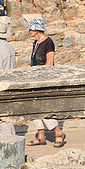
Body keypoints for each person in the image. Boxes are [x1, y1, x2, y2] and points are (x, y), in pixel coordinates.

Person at [26, 18, 64, 147]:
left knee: (45, 106)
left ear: (37, 30)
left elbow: (49, 62)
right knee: (34, 108)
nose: (29, 31)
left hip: (44, 79)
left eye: (30, 29)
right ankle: (41, 135)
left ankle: (58, 132)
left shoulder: (48, 42)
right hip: (34, 79)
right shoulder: (35, 43)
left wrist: (43, 79)